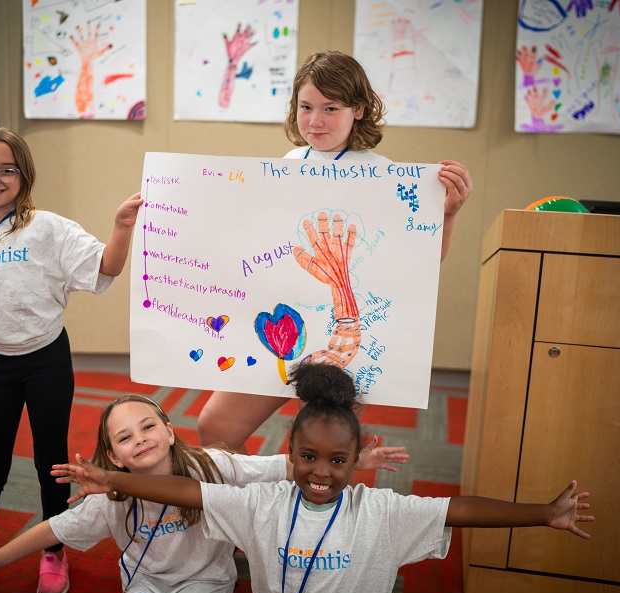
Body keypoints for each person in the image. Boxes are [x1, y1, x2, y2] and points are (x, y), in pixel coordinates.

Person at [54, 362, 594, 593]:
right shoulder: (262, 504)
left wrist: (544, 513)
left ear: (356, 460)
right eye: (308, 456)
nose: (321, 472)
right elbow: (185, 491)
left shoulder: (379, 511)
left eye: (339, 461)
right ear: (287, 452)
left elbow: (460, 509)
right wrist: (112, 480)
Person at [197, 50, 474, 452]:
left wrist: (446, 215)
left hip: (347, 340)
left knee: (315, 451)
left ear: (358, 109)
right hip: (285, 329)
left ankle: (298, 512)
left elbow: (420, 262)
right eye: (306, 107)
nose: (315, 120)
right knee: (215, 427)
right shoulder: (289, 163)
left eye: (331, 108)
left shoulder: (383, 174)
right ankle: (250, 509)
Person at [0, 125, 143, 593]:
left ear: (24, 177)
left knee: (52, 462)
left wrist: (121, 228)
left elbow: (105, 267)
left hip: (47, 360)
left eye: (7, 170)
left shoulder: (48, 227)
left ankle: (54, 552)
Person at [0, 393, 410, 593]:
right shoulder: (113, 497)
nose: (139, 439)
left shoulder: (213, 465)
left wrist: (354, 463)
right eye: (124, 438)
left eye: (147, 426)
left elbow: (279, 466)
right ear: (115, 457)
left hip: (205, 583)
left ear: (169, 431)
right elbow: (53, 528)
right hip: (144, 582)